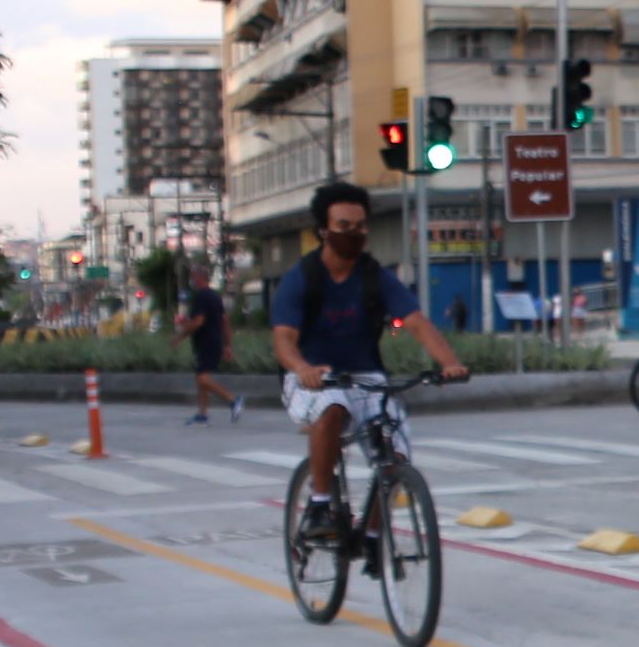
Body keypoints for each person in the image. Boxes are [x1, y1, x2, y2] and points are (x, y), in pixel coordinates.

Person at [272, 181, 469, 538]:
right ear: (323, 231)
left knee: (396, 457)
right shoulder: (302, 278)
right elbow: (283, 339)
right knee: (332, 408)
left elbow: (418, 325)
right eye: (343, 227)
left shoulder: (374, 277)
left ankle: (374, 536)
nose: (354, 234)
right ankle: (318, 505)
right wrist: (303, 368)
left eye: (360, 226)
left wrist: (449, 363)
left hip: (366, 379)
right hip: (311, 378)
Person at [178, 262, 236, 422]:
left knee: (202, 379)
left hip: (206, 343)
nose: (191, 281)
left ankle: (232, 400)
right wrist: (227, 344)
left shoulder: (202, 296)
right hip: (214, 342)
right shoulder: (215, 296)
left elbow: (198, 321)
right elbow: (225, 321)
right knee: (201, 377)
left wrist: (180, 335)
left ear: (198, 278)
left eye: (192, 277)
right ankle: (202, 414)